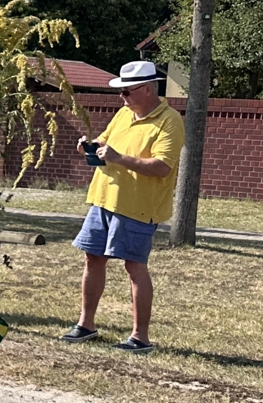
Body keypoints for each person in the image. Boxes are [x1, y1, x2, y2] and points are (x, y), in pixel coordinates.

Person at [60, 61, 185, 354]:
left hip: (139, 207)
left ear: (148, 89)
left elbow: (162, 167)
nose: (123, 98)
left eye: (127, 92)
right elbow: (105, 143)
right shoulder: (123, 114)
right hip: (103, 198)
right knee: (93, 259)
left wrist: (118, 158)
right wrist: (89, 147)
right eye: (121, 93)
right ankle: (86, 325)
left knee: (134, 267)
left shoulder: (170, 121)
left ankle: (140, 337)